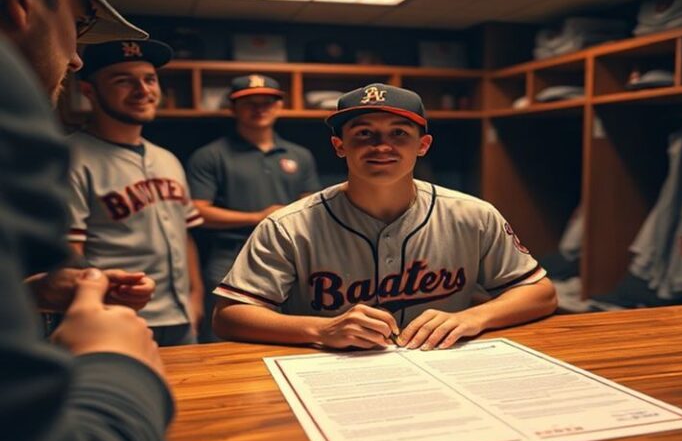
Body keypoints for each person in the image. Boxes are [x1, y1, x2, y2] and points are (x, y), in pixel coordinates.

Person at [0, 0, 172, 441]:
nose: (75, 58)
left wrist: (30, 295)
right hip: (114, 331)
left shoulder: (167, 159)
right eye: (76, 24)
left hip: (161, 317)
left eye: (150, 79)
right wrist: (112, 365)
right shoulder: (36, 130)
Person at [212, 83, 557, 350]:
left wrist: (475, 317)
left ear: (422, 146)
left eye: (399, 133)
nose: (381, 146)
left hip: (439, 366)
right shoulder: (288, 226)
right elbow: (229, 316)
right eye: (364, 133)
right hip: (328, 373)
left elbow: (540, 293)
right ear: (339, 146)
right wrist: (320, 329)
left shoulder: (474, 215)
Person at [67, 39, 205, 346]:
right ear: (89, 91)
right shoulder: (69, 158)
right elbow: (69, 253)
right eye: (123, 81)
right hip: (113, 318)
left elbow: (184, 235)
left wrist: (195, 297)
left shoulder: (167, 158)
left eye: (149, 79)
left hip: (180, 317)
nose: (143, 90)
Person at [186, 74, 320, 341]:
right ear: (232, 108)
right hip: (230, 256)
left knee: (287, 333)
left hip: (289, 257)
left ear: (280, 106)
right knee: (224, 337)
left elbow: (312, 207)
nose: (260, 108)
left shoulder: (299, 155)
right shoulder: (211, 155)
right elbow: (197, 212)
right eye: (250, 103)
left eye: (268, 102)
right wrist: (257, 217)